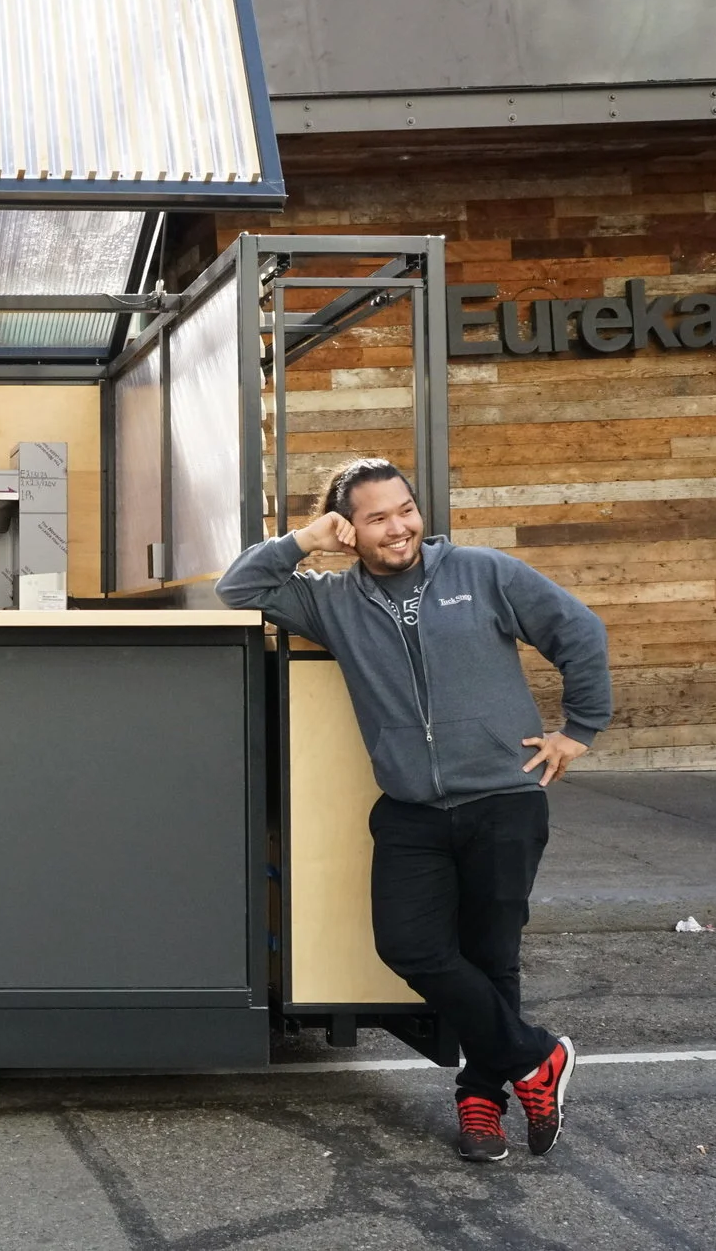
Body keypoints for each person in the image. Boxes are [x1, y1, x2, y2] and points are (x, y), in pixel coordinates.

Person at [218, 458, 610, 1164]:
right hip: (411, 809)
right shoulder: (331, 600)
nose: (398, 526)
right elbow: (239, 585)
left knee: (494, 959)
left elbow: (578, 631)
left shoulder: (481, 573)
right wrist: (308, 538)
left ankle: (481, 1102)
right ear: (350, 529)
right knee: (409, 946)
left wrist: (578, 729)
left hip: (503, 798)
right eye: (376, 517)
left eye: (405, 509)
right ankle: (536, 1057)